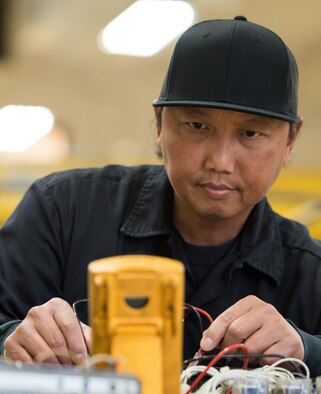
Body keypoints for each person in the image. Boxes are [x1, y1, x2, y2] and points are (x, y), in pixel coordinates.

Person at [1, 16, 321, 375]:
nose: (220, 161)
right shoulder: (60, 214)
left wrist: (307, 348)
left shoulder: (311, 272)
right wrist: (12, 337)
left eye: (250, 133)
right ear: (159, 125)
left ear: (290, 140)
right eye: (197, 126)